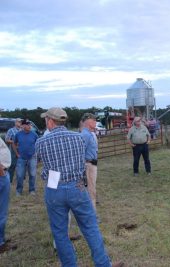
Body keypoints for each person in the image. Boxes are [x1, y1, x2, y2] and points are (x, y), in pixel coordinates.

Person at [35, 107, 123, 267]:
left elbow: (44, 167)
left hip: (54, 190)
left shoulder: (41, 142)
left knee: (60, 232)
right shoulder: (78, 138)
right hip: (77, 187)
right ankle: (103, 264)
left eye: (45, 119)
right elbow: (81, 161)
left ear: (50, 121)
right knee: (90, 227)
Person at [12, 119, 38, 196]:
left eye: (29, 124)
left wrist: (36, 153)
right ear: (23, 126)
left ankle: (32, 190)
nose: (29, 126)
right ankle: (19, 191)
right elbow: (14, 143)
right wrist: (17, 153)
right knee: (20, 175)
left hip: (32, 157)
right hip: (21, 158)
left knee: (32, 174)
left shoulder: (34, 134)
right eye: (27, 124)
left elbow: (38, 144)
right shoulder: (18, 134)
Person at [0, 137, 16, 253]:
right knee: (1, 212)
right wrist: (1, 172)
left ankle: (1, 238)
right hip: (1, 174)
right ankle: (0, 243)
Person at [80, 113, 98, 210]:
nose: (95, 122)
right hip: (88, 165)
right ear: (87, 121)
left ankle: (91, 213)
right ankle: (92, 214)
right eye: (93, 120)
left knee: (91, 189)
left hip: (91, 164)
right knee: (91, 190)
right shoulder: (85, 135)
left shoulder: (89, 133)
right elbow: (80, 152)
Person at [5, 118, 22, 183]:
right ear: (15, 123)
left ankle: (20, 180)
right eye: (18, 122)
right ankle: (9, 180)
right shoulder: (11, 130)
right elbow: (6, 139)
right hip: (13, 150)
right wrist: (14, 142)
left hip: (21, 149)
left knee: (20, 165)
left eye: (20, 122)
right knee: (12, 165)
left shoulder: (22, 130)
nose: (20, 123)